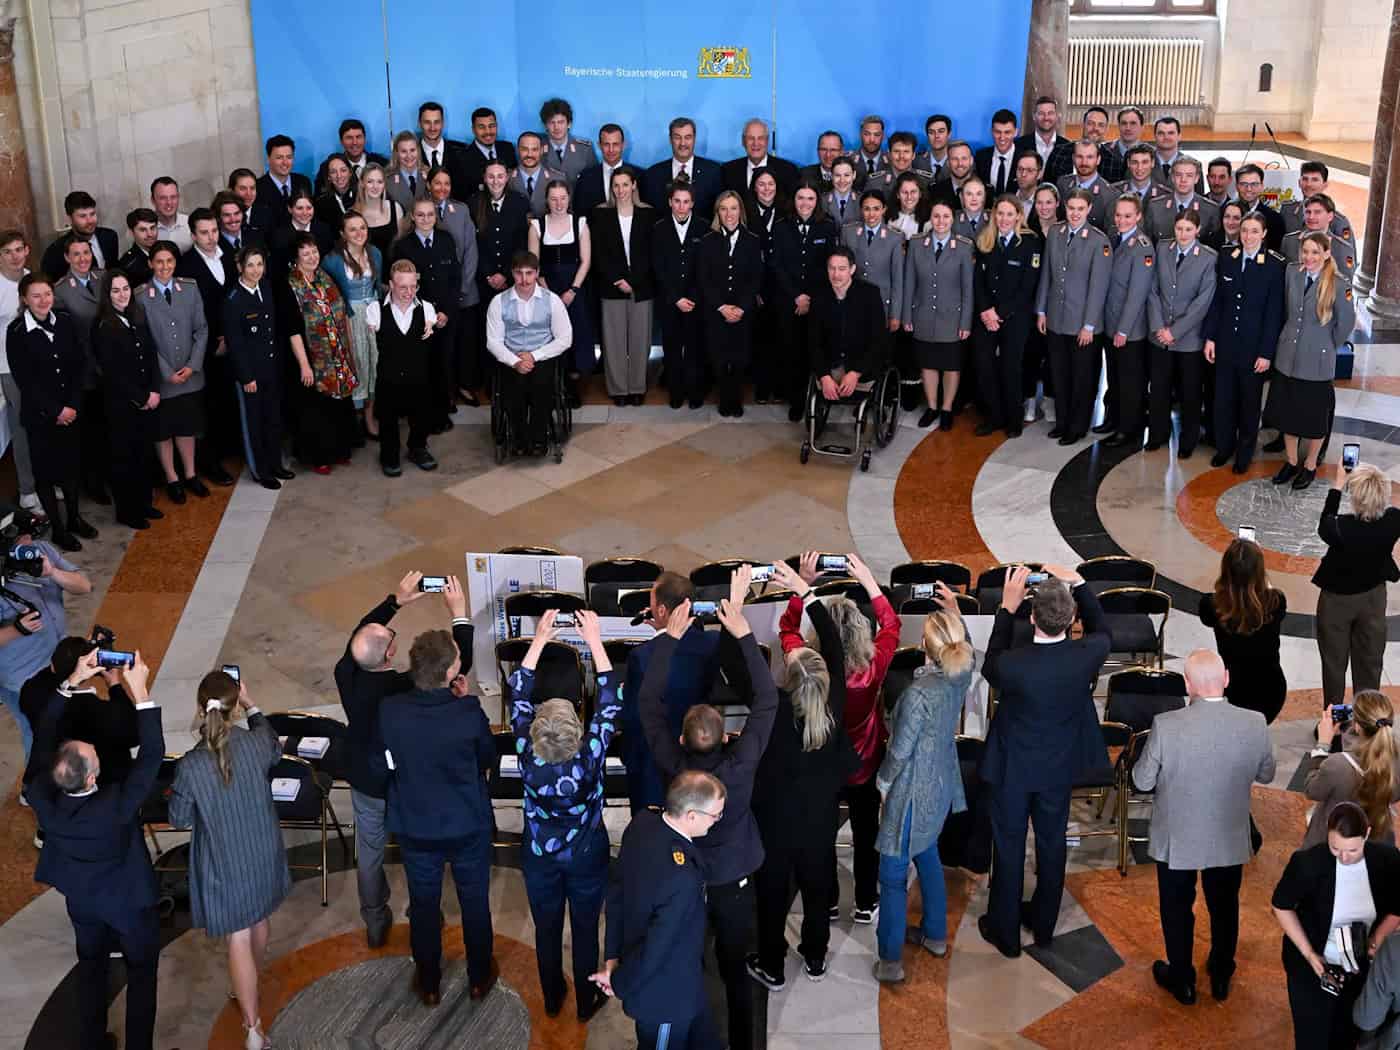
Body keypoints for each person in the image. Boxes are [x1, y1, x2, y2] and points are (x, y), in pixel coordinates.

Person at [640, 567, 775, 1050]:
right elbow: (766, 699)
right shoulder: (741, 765)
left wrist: (668, 640)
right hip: (734, 878)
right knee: (736, 971)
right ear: (727, 737)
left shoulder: (672, 763)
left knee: (690, 964)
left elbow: (649, 702)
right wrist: (742, 632)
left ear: (682, 740)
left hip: (686, 881)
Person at [28, 652, 160, 1050]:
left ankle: (91, 1040)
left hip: (82, 900)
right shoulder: (115, 805)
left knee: (90, 968)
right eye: (95, 757)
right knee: (141, 974)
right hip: (127, 901)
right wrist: (140, 692)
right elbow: (151, 756)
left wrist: (71, 681)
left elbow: (42, 736)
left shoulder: (41, 795)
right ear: (89, 777)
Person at [979, 565, 1111, 957]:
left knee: (1008, 846)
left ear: (1032, 617)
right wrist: (1081, 583)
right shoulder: (1086, 655)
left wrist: (1006, 609)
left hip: (1013, 769)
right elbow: (1104, 630)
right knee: (1052, 845)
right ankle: (1043, 926)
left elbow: (990, 662)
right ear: (1071, 621)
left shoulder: (1013, 664)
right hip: (1058, 769)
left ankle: (1005, 932)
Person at [1133, 649, 1276, 1005]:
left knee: (1176, 908)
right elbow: (1266, 774)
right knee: (1225, 906)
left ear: (1188, 685)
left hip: (1177, 838)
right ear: (1226, 679)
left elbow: (1142, 781)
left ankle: (1182, 980)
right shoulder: (1254, 722)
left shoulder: (1166, 725)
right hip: (1228, 835)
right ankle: (1222, 972)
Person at [377, 604, 498, 1005]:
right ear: (448, 674)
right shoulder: (467, 712)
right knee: (474, 902)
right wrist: (462, 703)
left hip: (416, 826)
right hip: (467, 825)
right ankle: (479, 977)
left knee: (424, 905)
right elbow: (486, 757)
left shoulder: (392, 712)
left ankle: (429, 982)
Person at [168, 671, 289, 1050]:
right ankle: (250, 979)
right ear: (235, 706)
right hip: (263, 851)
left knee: (239, 934)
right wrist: (252, 705)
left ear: (199, 708)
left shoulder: (190, 766)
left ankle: (253, 1029)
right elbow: (273, 744)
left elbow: (179, 819)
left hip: (224, 861)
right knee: (260, 919)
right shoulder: (256, 743)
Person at [748, 557, 853, 990]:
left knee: (772, 896)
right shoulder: (835, 706)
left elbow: (745, 660)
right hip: (819, 823)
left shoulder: (771, 711)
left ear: (787, 680)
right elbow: (834, 644)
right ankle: (815, 957)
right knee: (817, 888)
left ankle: (772, 965)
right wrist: (807, 593)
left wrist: (739, 606)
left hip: (774, 826)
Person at [508, 609, 616, 1021]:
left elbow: (518, 693)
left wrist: (538, 639)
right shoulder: (590, 756)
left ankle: (552, 997)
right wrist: (594, 640)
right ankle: (586, 1002)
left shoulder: (526, 752)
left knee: (547, 928)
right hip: (587, 852)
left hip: (539, 855)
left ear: (535, 731)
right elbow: (610, 700)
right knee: (586, 929)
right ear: (577, 731)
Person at [872, 606, 975, 981]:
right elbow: (968, 650)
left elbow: (900, 751)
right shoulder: (960, 675)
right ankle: (934, 935)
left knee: (893, 875)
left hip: (911, 795)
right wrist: (957, 614)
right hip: (941, 786)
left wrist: (883, 783)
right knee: (929, 854)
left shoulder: (918, 694)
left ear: (923, 645)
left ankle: (890, 961)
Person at [593, 770, 726, 1050]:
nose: (717, 821)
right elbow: (657, 948)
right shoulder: (682, 878)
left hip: (688, 981)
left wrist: (613, 956)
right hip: (666, 999)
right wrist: (617, 981)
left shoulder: (642, 822)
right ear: (691, 816)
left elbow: (617, 892)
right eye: (716, 815)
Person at [335, 572, 429, 945]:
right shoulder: (405, 687)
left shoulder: (346, 674)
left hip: (365, 777)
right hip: (403, 782)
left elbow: (359, 635)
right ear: (390, 654)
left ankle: (374, 918)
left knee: (370, 850)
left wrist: (395, 602)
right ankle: (423, 910)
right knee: (416, 847)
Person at [1273, 801, 1400, 1049]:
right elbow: (1281, 905)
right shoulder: (1307, 863)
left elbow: (1397, 905)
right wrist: (1310, 954)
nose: (1344, 857)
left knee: (1345, 1035)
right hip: (1313, 968)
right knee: (1311, 1038)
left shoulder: (1387, 859)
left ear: (1367, 834)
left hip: (1359, 968)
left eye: (1352, 850)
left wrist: (1376, 940)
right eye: (1335, 848)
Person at [7, 274, 97, 550]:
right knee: (45, 473)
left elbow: (78, 365)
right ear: (24, 299)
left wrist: (72, 405)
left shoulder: (65, 321)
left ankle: (74, 518)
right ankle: (57, 528)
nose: (43, 300)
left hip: (71, 410)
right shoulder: (16, 331)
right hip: (41, 416)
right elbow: (25, 380)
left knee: (71, 468)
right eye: (36, 296)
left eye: (47, 294)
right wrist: (56, 410)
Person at [621, 571, 722, 812]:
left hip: (652, 763)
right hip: (696, 752)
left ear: (662, 610)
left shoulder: (641, 657)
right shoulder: (712, 643)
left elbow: (634, 718)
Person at [0, 513, 91, 760]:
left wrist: (53, 573)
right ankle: (37, 781)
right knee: (38, 734)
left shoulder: (41, 550)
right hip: (22, 677)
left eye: (29, 535)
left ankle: (74, 774)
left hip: (60, 662)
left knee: (70, 724)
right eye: (20, 539)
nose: (29, 542)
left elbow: (84, 586)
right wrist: (16, 630)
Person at [1202, 212, 1286, 471]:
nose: (1248, 236)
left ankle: (1244, 454)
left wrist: (1266, 352)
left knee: (1249, 404)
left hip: (1254, 348)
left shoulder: (1274, 264)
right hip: (1226, 343)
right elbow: (1218, 301)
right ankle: (1224, 447)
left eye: (1254, 231)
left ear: (1264, 234)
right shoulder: (1228, 256)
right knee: (1223, 400)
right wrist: (1211, 337)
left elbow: (1274, 314)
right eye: (1245, 230)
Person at [1272, 232, 1355, 490]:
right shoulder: (1292, 273)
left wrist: (1325, 345)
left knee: (1314, 419)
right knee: (1288, 414)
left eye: (1315, 252)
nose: (1309, 257)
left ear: (1327, 253)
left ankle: (1309, 465)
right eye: (1305, 251)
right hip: (1288, 356)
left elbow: (1346, 324)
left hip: (1316, 361)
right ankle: (1291, 461)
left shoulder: (1339, 284)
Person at [1314, 461, 1400, 706]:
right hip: (1373, 598)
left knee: (1334, 664)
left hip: (1336, 601)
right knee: (1370, 663)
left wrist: (1338, 485)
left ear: (1356, 497)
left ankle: (1335, 720)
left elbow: (1325, 521)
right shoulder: (1394, 520)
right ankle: (1367, 717)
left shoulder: (1339, 527)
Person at [1035, 190, 1111, 445]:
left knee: (1081, 377)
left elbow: (1098, 288)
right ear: (1064, 208)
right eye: (1071, 208)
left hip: (1082, 323)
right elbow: (1047, 273)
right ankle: (1062, 422)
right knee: (1059, 374)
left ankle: (1077, 427)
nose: (1075, 213)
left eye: (1080, 208)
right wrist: (1041, 310)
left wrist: (1089, 324)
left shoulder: (1099, 241)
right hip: (1056, 317)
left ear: (1089, 209)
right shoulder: (1055, 233)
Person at [281, 232, 358, 474]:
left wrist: (348, 350)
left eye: (314, 251)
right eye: (305, 253)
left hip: (337, 354)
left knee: (339, 405)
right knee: (316, 410)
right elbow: (292, 330)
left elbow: (341, 313)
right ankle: (320, 457)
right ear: (296, 257)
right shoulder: (290, 285)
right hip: (311, 358)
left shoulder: (325, 277)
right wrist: (304, 365)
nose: (312, 257)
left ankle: (340, 450)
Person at [140, 242, 209, 505]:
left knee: (186, 427)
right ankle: (172, 478)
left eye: (169, 261)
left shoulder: (189, 288)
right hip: (162, 379)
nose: (165, 266)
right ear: (150, 264)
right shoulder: (140, 296)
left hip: (190, 374)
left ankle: (190, 474)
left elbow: (201, 329)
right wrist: (165, 371)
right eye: (159, 261)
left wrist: (193, 365)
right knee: (164, 431)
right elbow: (145, 341)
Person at [176, 209, 240, 489]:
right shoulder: (186, 266)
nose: (211, 237)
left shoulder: (229, 254)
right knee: (208, 406)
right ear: (193, 236)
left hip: (234, 341)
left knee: (228, 400)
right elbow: (187, 313)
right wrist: (215, 340)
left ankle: (231, 449)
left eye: (214, 230)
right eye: (204, 232)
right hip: (206, 348)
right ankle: (209, 462)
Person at [484, 250, 571, 456]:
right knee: (514, 387)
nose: (524, 279)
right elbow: (493, 341)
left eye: (529, 273)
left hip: (542, 356)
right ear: (512, 273)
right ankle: (520, 438)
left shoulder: (552, 300)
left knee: (542, 385)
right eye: (519, 273)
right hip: (511, 358)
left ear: (537, 273)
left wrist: (534, 356)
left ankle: (539, 438)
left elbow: (565, 338)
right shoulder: (498, 302)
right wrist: (515, 361)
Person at [92, 270, 161, 527]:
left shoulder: (136, 315)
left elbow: (150, 355)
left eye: (125, 289)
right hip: (122, 404)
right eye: (116, 290)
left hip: (147, 399)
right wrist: (140, 397)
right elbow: (112, 372)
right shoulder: (103, 326)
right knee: (125, 458)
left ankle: (144, 503)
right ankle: (128, 511)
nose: (122, 295)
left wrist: (154, 390)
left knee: (144, 454)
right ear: (107, 295)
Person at [1146, 211, 1217, 459]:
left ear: (1197, 230)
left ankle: (1188, 440)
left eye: (1188, 229)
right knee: (1159, 389)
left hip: (1189, 339)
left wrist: (1174, 331)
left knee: (1190, 392)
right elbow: (1152, 289)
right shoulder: (1162, 248)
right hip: (1159, 336)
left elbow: (1202, 303)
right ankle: (1157, 435)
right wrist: (1159, 327)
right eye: (1179, 228)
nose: (1183, 234)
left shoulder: (1208, 258)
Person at [365, 259, 446, 476]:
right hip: (388, 376)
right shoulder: (375, 309)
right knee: (387, 417)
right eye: (403, 287)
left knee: (421, 414)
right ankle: (389, 453)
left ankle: (418, 448)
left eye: (413, 287)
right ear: (391, 285)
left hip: (418, 375)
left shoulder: (426, 308)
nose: (409, 292)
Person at [1197, 538, 1288, 722]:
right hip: (1271, 691)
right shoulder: (1276, 601)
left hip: (1233, 692)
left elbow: (1208, 617)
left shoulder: (1212, 605)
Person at [223, 246, 291, 488]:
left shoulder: (267, 288)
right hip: (250, 374)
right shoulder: (233, 299)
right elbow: (235, 343)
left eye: (259, 264)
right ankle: (261, 471)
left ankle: (275, 464)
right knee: (254, 423)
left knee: (273, 419)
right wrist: (246, 376)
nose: (255, 270)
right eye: (250, 265)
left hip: (270, 368)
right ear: (240, 267)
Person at [973, 195, 1041, 438]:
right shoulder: (985, 239)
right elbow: (978, 281)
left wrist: (999, 313)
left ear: (1018, 216)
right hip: (986, 315)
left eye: (1009, 214)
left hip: (1015, 317)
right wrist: (985, 310)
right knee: (984, 366)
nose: (1004, 219)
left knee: (1011, 368)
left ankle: (1014, 419)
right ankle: (994, 416)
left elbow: (1028, 286)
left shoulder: (1031, 242)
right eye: (1000, 213)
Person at [901, 201, 973, 430]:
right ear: (930, 218)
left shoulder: (963, 247)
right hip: (922, 314)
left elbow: (967, 289)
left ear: (953, 219)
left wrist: (965, 322)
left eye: (946, 216)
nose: (941, 221)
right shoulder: (916, 244)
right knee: (928, 364)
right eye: (936, 216)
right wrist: (907, 316)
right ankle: (932, 407)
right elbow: (909, 283)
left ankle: (947, 408)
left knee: (951, 366)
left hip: (952, 318)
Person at [49, 237, 109, 508]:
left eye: (86, 252)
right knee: (91, 432)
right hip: (85, 371)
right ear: (67, 258)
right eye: (76, 254)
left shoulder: (103, 277)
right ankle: (93, 483)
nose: (83, 259)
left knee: (111, 426)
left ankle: (111, 476)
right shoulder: (60, 290)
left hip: (111, 366)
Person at [771, 184, 839, 420]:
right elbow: (776, 265)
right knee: (791, 351)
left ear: (817, 201)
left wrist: (809, 296)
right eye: (800, 197)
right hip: (788, 300)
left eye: (810, 198)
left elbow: (829, 265)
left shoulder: (827, 226)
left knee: (815, 349)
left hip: (817, 300)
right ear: (794, 200)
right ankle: (796, 400)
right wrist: (796, 295)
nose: (805, 203)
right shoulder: (781, 226)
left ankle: (818, 397)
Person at [1303, 690, 1400, 850]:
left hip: (1335, 842)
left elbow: (1312, 790)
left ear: (1357, 726)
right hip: (1379, 840)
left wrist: (1322, 746)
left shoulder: (1336, 765)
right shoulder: (1395, 759)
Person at [591, 168, 655, 405]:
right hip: (611, 286)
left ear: (634, 185)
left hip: (642, 286)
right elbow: (599, 253)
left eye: (625, 184)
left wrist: (634, 281)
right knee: (614, 341)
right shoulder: (601, 214)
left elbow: (652, 253)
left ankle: (637, 387)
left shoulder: (648, 214)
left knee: (640, 339)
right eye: (616, 185)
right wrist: (618, 279)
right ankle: (618, 389)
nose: (621, 190)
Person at [528, 180, 593, 405]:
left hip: (574, 289)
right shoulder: (537, 226)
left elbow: (586, 261)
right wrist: (549, 294)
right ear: (547, 200)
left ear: (569, 198)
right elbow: (534, 265)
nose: (559, 203)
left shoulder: (580, 223)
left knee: (576, 336)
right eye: (554, 199)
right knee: (550, 337)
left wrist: (573, 290)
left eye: (563, 198)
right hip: (547, 289)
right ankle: (555, 386)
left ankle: (573, 387)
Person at [698, 191, 763, 417]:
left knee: (740, 357)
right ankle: (724, 397)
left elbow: (756, 278)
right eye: (724, 209)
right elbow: (703, 278)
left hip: (743, 311)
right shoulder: (707, 241)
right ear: (718, 212)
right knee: (718, 356)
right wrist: (721, 307)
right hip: (716, 310)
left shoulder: (753, 241)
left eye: (733, 208)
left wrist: (742, 307)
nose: (729, 214)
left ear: (740, 211)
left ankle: (736, 398)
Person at [1100, 194, 1155, 449]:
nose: (1121, 220)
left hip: (1129, 329)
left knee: (1130, 382)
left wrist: (1123, 330)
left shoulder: (1142, 247)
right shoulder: (1113, 237)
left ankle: (1128, 430)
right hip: (1110, 323)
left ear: (1138, 216)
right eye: (1118, 215)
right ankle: (1113, 420)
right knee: (1114, 377)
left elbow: (1137, 294)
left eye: (1128, 216)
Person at [323, 211, 383, 439]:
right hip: (349, 318)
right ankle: (354, 419)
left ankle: (369, 415)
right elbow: (327, 293)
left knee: (374, 363)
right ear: (343, 233)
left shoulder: (375, 253)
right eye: (353, 229)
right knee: (355, 365)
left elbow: (378, 285)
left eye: (363, 228)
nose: (359, 233)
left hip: (373, 315)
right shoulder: (332, 260)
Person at [651, 180, 708, 410]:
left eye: (686, 202)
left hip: (696, 301)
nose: (681, 207)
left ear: (692, 203)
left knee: (695, 348)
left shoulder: (704, 227)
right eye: (677, 201)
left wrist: (691, 297)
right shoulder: (659, 229)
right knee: (672, 349)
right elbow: (658, 267)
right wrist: (675, 298)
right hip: (670, 301)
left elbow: (705, 268)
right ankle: (676, 392)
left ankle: (695, 392)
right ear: (670, 202)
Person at [0, 230, 44, 520]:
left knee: (44, 424)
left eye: (19, 249)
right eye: (7, 251)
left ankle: (47, 480)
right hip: (9, 368)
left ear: (27, 250)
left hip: (38, 364)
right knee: (22, 428)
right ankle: (28, 490)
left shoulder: (31, 279)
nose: (15, 256)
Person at [471, 162, 531, 329]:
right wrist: (488, 275)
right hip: (484, 281)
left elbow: (521, 243)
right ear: (484, 178)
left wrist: (505, 274)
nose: (495, 181)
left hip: (513, 279)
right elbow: (474, 245)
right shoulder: (474, 203)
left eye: (500, 176)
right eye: (491, 176)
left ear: (507, 177)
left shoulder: (520, 202)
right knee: (486, 327)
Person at [643, 116, 722, 222]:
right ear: (670, 139)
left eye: (687, 137)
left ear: (694, 139)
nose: (683, 143)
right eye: (677, 137)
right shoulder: (653, 174)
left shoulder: (713, 172)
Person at [41, 190, 118, 280]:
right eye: (82, 216)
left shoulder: (109, 237)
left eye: (92, 214)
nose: (90, 221)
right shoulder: (56, 251)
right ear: (70, 218)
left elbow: (114, 270)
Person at [571, 122, 643, 217]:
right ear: (599, 145)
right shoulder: (585, 178)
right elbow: (579, 213)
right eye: (606, 144)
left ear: (623, 145)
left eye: (615, 144)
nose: (611, 150)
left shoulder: (640, 176)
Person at [1147, 157, 1221, 246]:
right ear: (1172, 177)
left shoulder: (1211, 209)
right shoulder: (1155, 207)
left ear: (1197, 178)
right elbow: (1148, 244)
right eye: (1178, 175)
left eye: (1189, 175)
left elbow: (1213, 247)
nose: (1183, 180)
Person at [1284, 194, 1358, 282]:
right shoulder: (1289, 241)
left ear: (1330, 216)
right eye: (1308, 212)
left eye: (1317, 212)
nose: (1311, 217)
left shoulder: (1343, 249)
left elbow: (1346, 284)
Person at [722, 117, 800, 196]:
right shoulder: (727, 171)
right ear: (743, 141)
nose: (756, 143)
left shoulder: (788, 171)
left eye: (760, 138)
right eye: (751, 138)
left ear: (767, 141)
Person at [313, 117, 388, 192]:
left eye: (358, 137)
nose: (354, 142)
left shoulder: (382, 164)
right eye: (349, 138)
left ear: (364, 139)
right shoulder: (327, 168)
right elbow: (319, 196)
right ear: (341, 141)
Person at [1054, 140, 1115, 230]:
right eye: (1079, 156)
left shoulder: (1110, 195)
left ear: (1098, 160)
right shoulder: (1062, 184)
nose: (1084, 162)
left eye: (1089, 157)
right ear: (1073, 158)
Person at [254, 134, 312, 227]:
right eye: (279, 157)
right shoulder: (257, 188)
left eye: (289, 157)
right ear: (268, 159)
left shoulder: (303, 182)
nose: (285, 162)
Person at [354, 163, 408, 262]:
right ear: (362, 183)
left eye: (379, 182)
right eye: (370, 181)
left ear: (384, 184)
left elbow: (401, 244)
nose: (375, 186)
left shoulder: (396, 208)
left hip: (394, 268)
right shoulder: (354, 214)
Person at [1284, 162, 1354, 238]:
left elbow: (1344, 245)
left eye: (1315, 180)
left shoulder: (1340, 222)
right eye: (1305, 179)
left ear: (1325, 185)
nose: (1309, 184)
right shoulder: (1286, 210)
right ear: (1299, 183)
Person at [462, 106, 519, 196]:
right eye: (481, 127)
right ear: (473, 129)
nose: (488, 131)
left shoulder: (507, 148)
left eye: (492, 126)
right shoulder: (463, 158)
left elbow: (515, 182)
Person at [1016, 96, 1073, 182]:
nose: (1046, 118)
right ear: (1034, 116)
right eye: (1041, 113)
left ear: (1057, 116)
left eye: (1050, 113)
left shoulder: (1068, 147)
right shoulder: (1019, 145)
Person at [416, 100, 469, 192]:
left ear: (443, 123)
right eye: (427, 122)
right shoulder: (411, 155)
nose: (432, 128)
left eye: (436, 122)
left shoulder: (461, 153)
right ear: (419, 123)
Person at [540, 97, 596, 181]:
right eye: (552, 122)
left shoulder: (585, 149)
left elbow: (594, 179)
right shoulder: (536, 147)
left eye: (561, 122)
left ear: (569, 124)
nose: (556, 127)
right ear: (545, 125)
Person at [1234, 163, 1286, 252]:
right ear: (1237, 186)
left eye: (1254, 184)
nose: (1249, 189)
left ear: (1262, 186)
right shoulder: (1227, 214)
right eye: (1243, 184)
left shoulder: (1274, 219)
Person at [975, 109, 1020, 197]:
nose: (1002, 137)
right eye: (998, 132)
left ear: (1016, 132)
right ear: (992, 131)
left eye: (1007, 132)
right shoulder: (981, 157)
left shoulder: (1024, 158)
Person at [385, 131, 430, 215]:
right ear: (396, 153)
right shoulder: (387, 179)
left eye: (412, 150)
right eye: (403, 151)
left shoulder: (430, 174)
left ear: (418, 151)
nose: (409, 156)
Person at [1082, 105, 1126, 183]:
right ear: (1083, 124)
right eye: (1091, 123)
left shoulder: (1115, 164)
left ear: (1106, 129)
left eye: (1101, 125)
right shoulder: (1062, 151)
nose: (1095, 128)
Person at [315, 155, 357, 229]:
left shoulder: (361, 196)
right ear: (328, 177)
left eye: (343, 170)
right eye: (333, 172)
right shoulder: (321, 204)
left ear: (350, 173)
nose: (339, 176)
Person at [149, 176, 191, 253]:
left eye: (173, 197)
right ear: (153, 200)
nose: (169, 202)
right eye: (163, 198)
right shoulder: (146, 229)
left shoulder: (190, 224)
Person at [119, 208, 158, 286]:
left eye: (152, 228)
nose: (150, 234)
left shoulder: (168, 251)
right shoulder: (127, 265)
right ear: (131, 232)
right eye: (143, 230)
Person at [822, 157, 862, 228]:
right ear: (831, 176)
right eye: (837, 175)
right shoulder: (821, 200)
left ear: (854, 175)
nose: (842, 180)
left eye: (846, 175)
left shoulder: (862, 200)